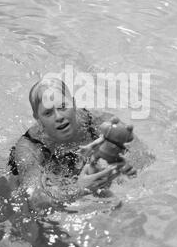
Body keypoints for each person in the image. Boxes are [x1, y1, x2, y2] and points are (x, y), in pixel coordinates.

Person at [8, 76, 137, 210]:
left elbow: (143, 155)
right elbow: (37, 199)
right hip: (42, 170)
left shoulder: (97, 122)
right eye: (48, 113)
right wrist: (80, 189)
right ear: (38, 119)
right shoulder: (29, 147)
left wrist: (115, 171)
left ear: (74, 104)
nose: (59, 117)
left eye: (63, 106)